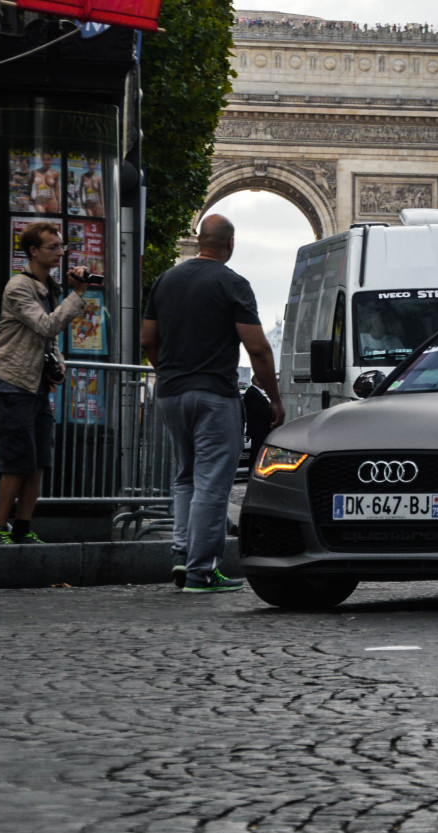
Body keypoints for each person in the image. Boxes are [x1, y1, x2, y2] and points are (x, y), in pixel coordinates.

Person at [141, 214, 283, 593]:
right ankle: (202, 571)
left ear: (198, 240)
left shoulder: (165, 280)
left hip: (171, 392)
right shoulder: (232, 283)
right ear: (230, 244)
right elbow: (257, 347)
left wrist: (169, 371)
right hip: (214, 395)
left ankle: (182, 557)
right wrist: (273, 396)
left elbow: (147, 339)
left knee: (185, 476)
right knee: (212, 483)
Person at [0, 223, 91, 545]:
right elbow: (45, 325)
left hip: (37, 384)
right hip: (13, 381)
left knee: (40, 459)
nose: (60, 252)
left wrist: (58, 361)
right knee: (18, 460)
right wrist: (79, 295)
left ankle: (22, 528)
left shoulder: (50, 287)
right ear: (33, 251)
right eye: (53, 247)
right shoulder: (19, 286)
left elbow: (49, 339)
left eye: (61, 247)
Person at [242, 373, 275, 469]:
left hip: (262, 429)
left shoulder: (257, 392)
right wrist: (271, 408)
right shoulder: (252, 393)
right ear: (257, 381)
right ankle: (253, 471)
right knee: (256, 452)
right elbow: (258, 411)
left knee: (260, 452)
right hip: (259, 430)